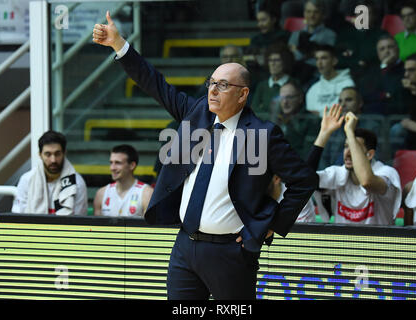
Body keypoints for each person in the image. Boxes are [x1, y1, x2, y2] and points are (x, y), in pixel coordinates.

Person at [92, 11, 318, 300]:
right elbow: (156, 84)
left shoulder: (263, 134)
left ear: (243, 94)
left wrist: (273, 224)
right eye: (212, 82)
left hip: (231, 252)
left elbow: (304, 181)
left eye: (223, 85)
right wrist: (119, 44)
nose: (213, 90)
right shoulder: (196, 112)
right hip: (185, 247)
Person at [309, 105, 402, 225]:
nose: (347, 153)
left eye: (354, 147)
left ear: (369, 154)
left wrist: (349, 131)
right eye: (346, 146)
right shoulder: (339, 173)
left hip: (378, 242)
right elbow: (306, 180)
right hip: (343, 242)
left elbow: (366, 181)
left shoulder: (387, 173)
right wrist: (324, 133)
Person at [11, 130, 88, 215]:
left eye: (57, 154)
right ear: (40, 155)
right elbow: (18, 217)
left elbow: (79, 222)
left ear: (64, 153)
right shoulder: (27, 180)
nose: (53, 160)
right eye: (48, 154)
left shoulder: (77, 183)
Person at [93, 144, 153, 218]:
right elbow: (97, 228)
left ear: (132, 165)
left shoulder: (146, 193)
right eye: (111, 162)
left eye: (118, 163)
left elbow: (147, 228)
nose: (112, 168)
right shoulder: (101, 194)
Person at [357, 34, 407, 115]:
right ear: (378, 53)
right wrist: (384, 67)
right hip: (373, 115)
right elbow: (365, 94)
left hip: (398, 114)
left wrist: (381, 95)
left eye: (390, 47)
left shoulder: (406, 68)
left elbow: (396, 92)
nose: (386, 51)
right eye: (382, 49)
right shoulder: (371, 71)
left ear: (397, 49)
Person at [273, 81, 320, 159]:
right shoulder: (276, 119)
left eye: (289, 97)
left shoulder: (311, 121)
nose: (285, 102)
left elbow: (308, 154)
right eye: (282, 98)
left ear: (300, 98)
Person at [305, 44, 355, 116]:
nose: (319, 63)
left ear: (334, 61)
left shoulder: (348, 83)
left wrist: (320, 113)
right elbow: (311, 113)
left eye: (323, 58)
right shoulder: (313, 89)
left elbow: (346, 112)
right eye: (317, 59)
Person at [251, 43, 297, 115]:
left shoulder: (294, 83)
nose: (272, 63)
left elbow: (294, 111)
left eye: (277, 60)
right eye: (270, 60)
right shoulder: (262, 86)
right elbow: (254, 111)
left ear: (285, 62)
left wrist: (264, 109)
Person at [288, 0, 337, 67]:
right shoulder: (296, 34)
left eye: (316, 12)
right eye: (308, 12)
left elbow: (325, 63)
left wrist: (297, 51)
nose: (311, 15)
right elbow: (289, 59)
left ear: (323, 15)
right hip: (296, 73)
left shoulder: (330, 35)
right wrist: (311, 55)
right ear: (304, 13)